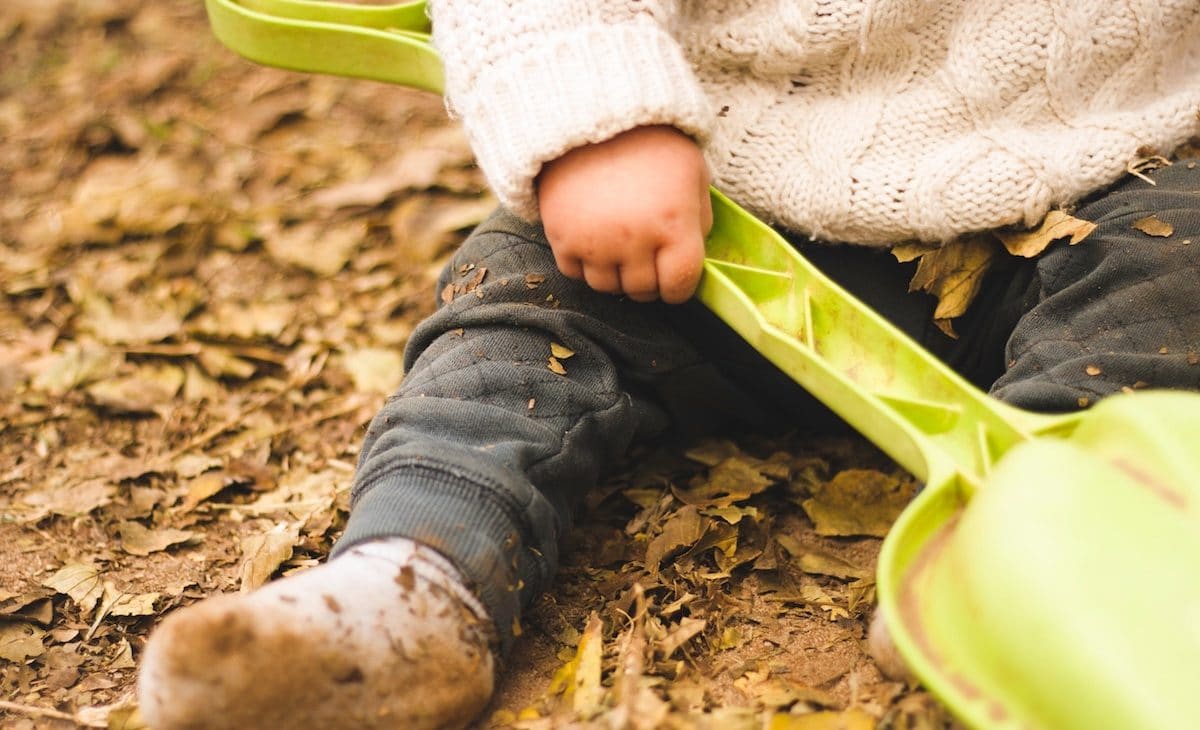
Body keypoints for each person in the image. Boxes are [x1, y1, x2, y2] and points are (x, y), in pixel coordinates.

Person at [137, 2, 1200, 728]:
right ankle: (413, 578)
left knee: (1175, 275)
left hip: (1101, 180)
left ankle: (1030, 558)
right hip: (722, 208)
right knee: (521, 313)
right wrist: (596, 120)